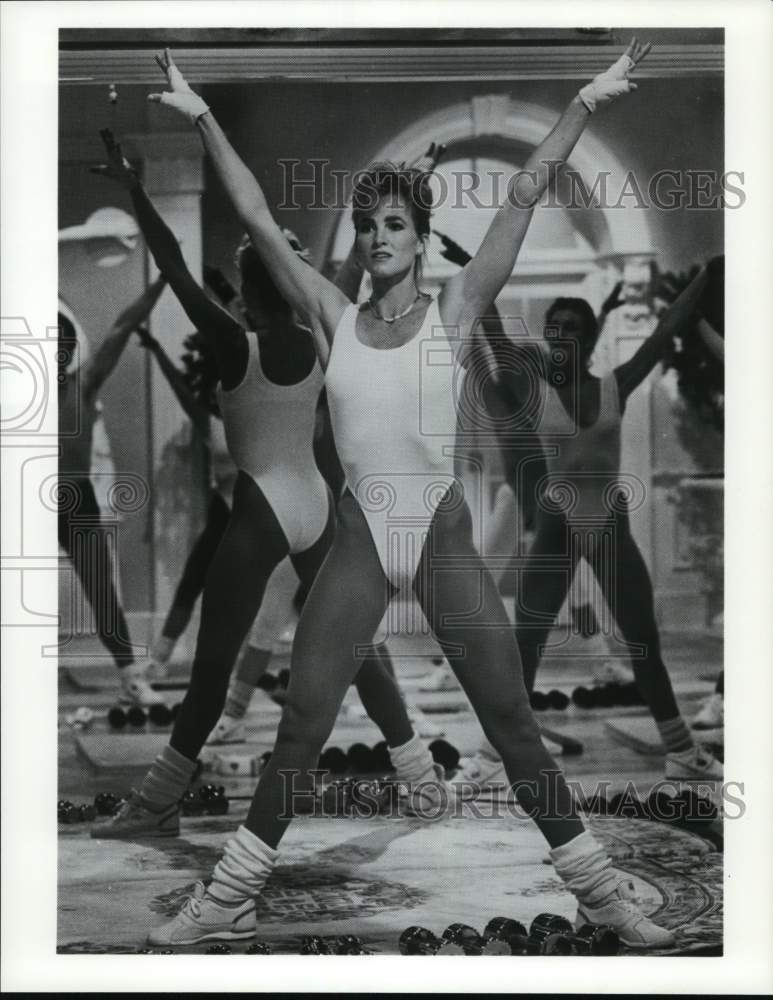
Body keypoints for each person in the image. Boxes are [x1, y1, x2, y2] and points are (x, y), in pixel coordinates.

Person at [136, 43, 679, 951]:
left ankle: (599, 892)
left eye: (393, 224)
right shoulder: (330, 315)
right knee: (302, 724)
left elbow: (521, 193)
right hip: (356, 540)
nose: (378, 236)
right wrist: (197, 116)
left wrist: (585, 99)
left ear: (418, 235)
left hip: (436, 537)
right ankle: (227, 894)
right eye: (369, 224)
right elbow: (257, 217)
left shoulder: (456, 308)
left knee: (511, 724)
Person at [90, 128, 439, 840]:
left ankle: (157, 803)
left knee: (212, 667)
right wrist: (415, 172)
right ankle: (419, 776)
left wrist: (133, 188)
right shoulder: (325, 329)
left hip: (261, 508)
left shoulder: (231, 341)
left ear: (246, 295)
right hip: (315, 502)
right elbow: (344, 256)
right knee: (359, 647)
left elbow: (177, 270)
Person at [454, 268, 723, 791]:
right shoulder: (531, 388)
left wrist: (707, 277)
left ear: (588, 337)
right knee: (525, 645)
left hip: (608, 525)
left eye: (571, 328)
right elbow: (495, 335)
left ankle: (683, 752)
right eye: (553, 328)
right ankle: (493, 757)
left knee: (643, 643)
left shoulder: (615, 385)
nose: (559, 337)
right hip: (556, 525)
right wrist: (478, 268)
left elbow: (667, 328)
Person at [58, 280, 168, 706]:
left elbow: (124, 325)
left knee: (101, 591)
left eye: (62, 346)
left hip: (75, 497)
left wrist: (162, 282)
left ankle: (131, 678)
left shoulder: (83, 386)